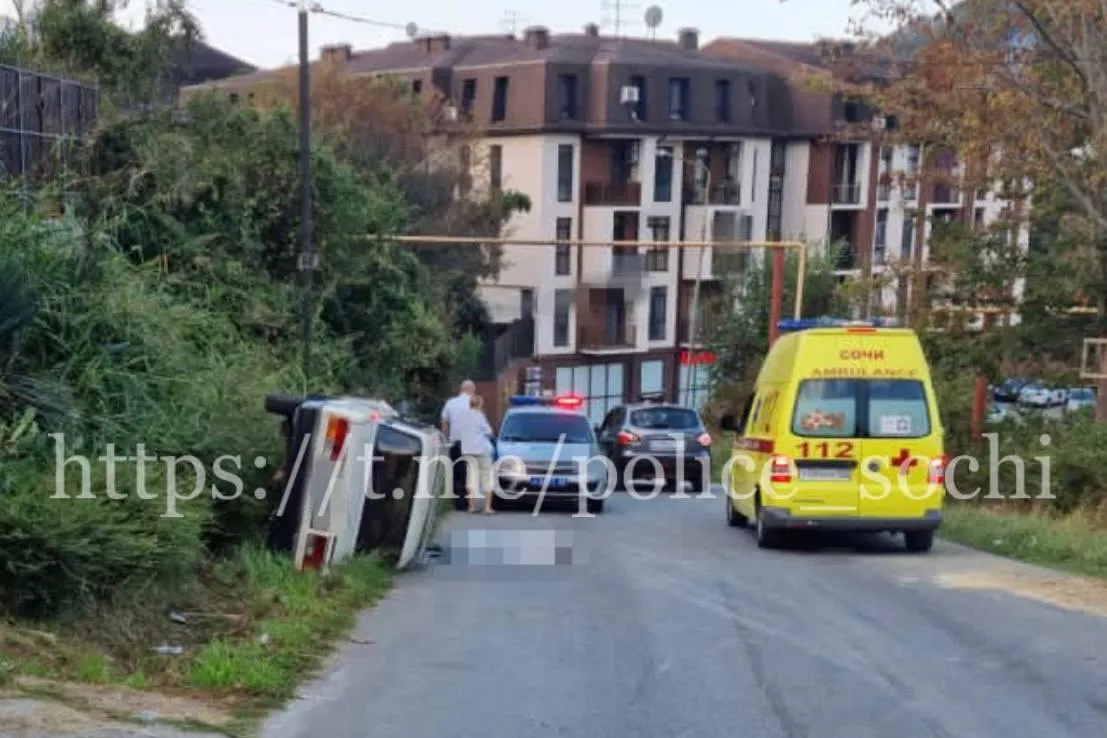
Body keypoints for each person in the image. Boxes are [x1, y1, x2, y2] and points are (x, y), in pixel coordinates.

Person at [456, 394, 496, 514]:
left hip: (468, 450)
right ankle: (487, 507)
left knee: (471, 478)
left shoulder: (463, 417)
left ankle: (471, 506)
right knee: (486, 478)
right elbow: (489, 432)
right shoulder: (479, 416)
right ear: (479, 404)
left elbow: (458, 433)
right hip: (481, 451)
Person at [440, 379, 475, 510]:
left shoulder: (450, 403)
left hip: (454, 443)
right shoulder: (474, 403)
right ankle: (468, 502)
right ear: (471, 390)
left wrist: (445, 439)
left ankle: (457, 502)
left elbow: (444, 422)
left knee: (456, 473)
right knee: (469, 473)